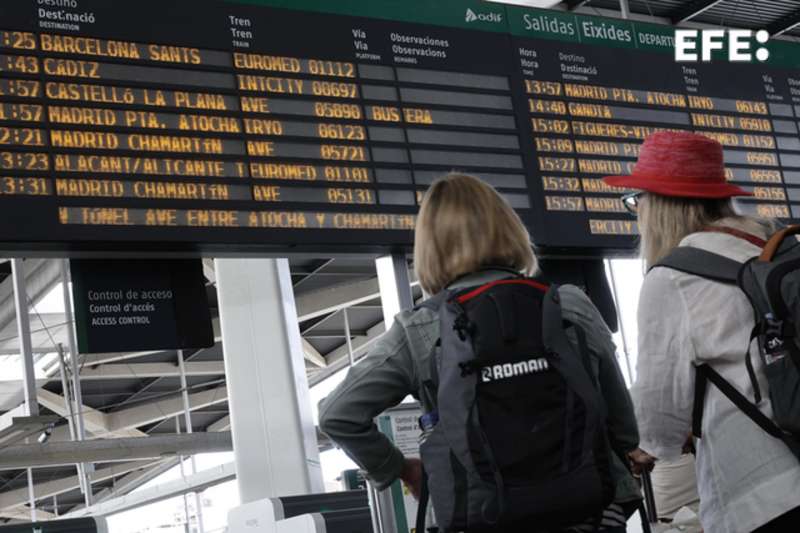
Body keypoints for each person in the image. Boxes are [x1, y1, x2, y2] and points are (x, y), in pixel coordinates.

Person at [319, 173, 642, 532]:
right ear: (508, 228)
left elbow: (337, 414)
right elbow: (625, 431)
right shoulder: (569, 305)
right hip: (588, 512)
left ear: (429, 247)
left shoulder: (420, 330)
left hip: (479, 516)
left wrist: (399, 467)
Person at [604, 131, 800, 533]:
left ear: (657, 205)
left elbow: (662, 416)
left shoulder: (674, 277)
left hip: (764, 492)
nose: (635, 210)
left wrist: (646, 448)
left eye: (635, 200)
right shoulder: (773, 245)